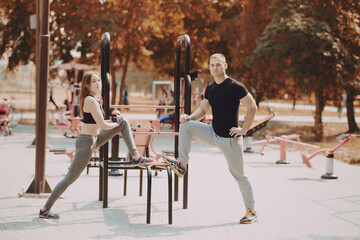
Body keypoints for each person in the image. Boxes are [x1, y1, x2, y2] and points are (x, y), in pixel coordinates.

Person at [39, 71, 153, 219]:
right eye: (94, 81)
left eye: (98, 80)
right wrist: (114, 123)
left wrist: (116, 122)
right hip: (86, 143)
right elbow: (102, 124)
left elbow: (101, 125)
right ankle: (45, 209)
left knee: (123, 123)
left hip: (94, 138)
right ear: (86, 85)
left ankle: (135, 156)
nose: (98, 83)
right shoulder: (90, 100)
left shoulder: (95, 99)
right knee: (70, 178)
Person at [162, 53, 258, 224]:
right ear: (209, 67)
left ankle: (251, 210)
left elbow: (252, 107)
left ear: (225, 66)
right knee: (186, 127)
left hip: (230, 139)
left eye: (218, 65)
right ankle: (182, 164)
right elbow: (203, 111)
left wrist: (244, 129)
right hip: (213, 133)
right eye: (212, 65)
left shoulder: (235, 86)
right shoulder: (210, 89)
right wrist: (189, 118)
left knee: (239, 175)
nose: (215, 68)